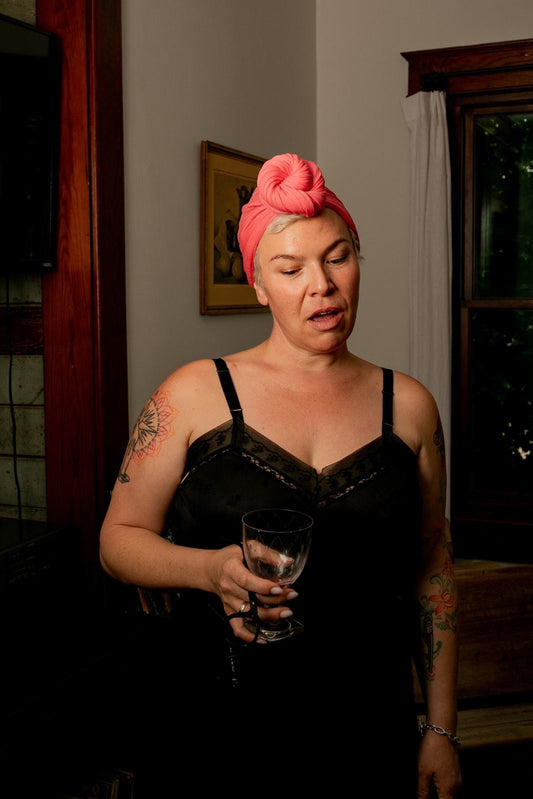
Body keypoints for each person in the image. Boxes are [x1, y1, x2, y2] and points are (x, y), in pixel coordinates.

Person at [100, 153, 462, 796]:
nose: (321, 284)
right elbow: (118, 540)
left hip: (364, 729)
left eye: (338, 256)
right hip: (215, 727)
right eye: (290, 268)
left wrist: (440, 731)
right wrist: (208, 570)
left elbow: (432, 563)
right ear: (259, 285)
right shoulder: (191, 394)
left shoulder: (408, 406)